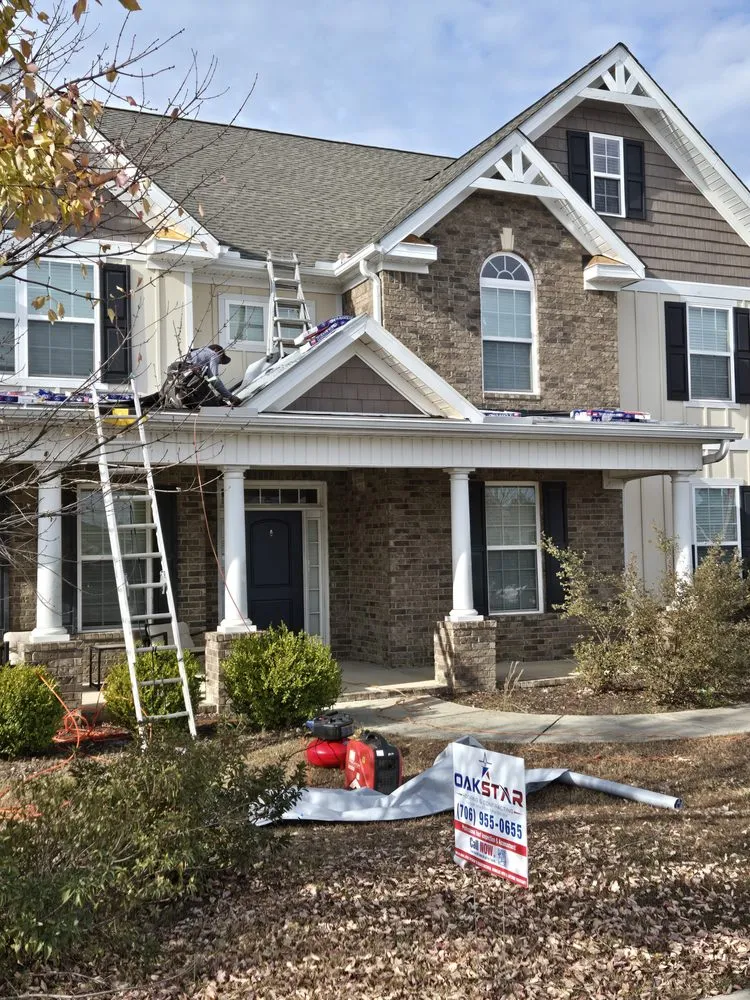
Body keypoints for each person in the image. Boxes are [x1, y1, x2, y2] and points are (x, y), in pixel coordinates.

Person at [146, 344, 243, 410]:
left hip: (176, 371)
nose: (218, 363)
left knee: (163, 394)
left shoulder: (196, 354)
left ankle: (175, 397)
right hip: (189, 375)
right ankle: (184, 396)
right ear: (216, 350)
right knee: (210, 399)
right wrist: (229, 396)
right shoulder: (214, 354)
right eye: (220, 360)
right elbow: (214, 379)